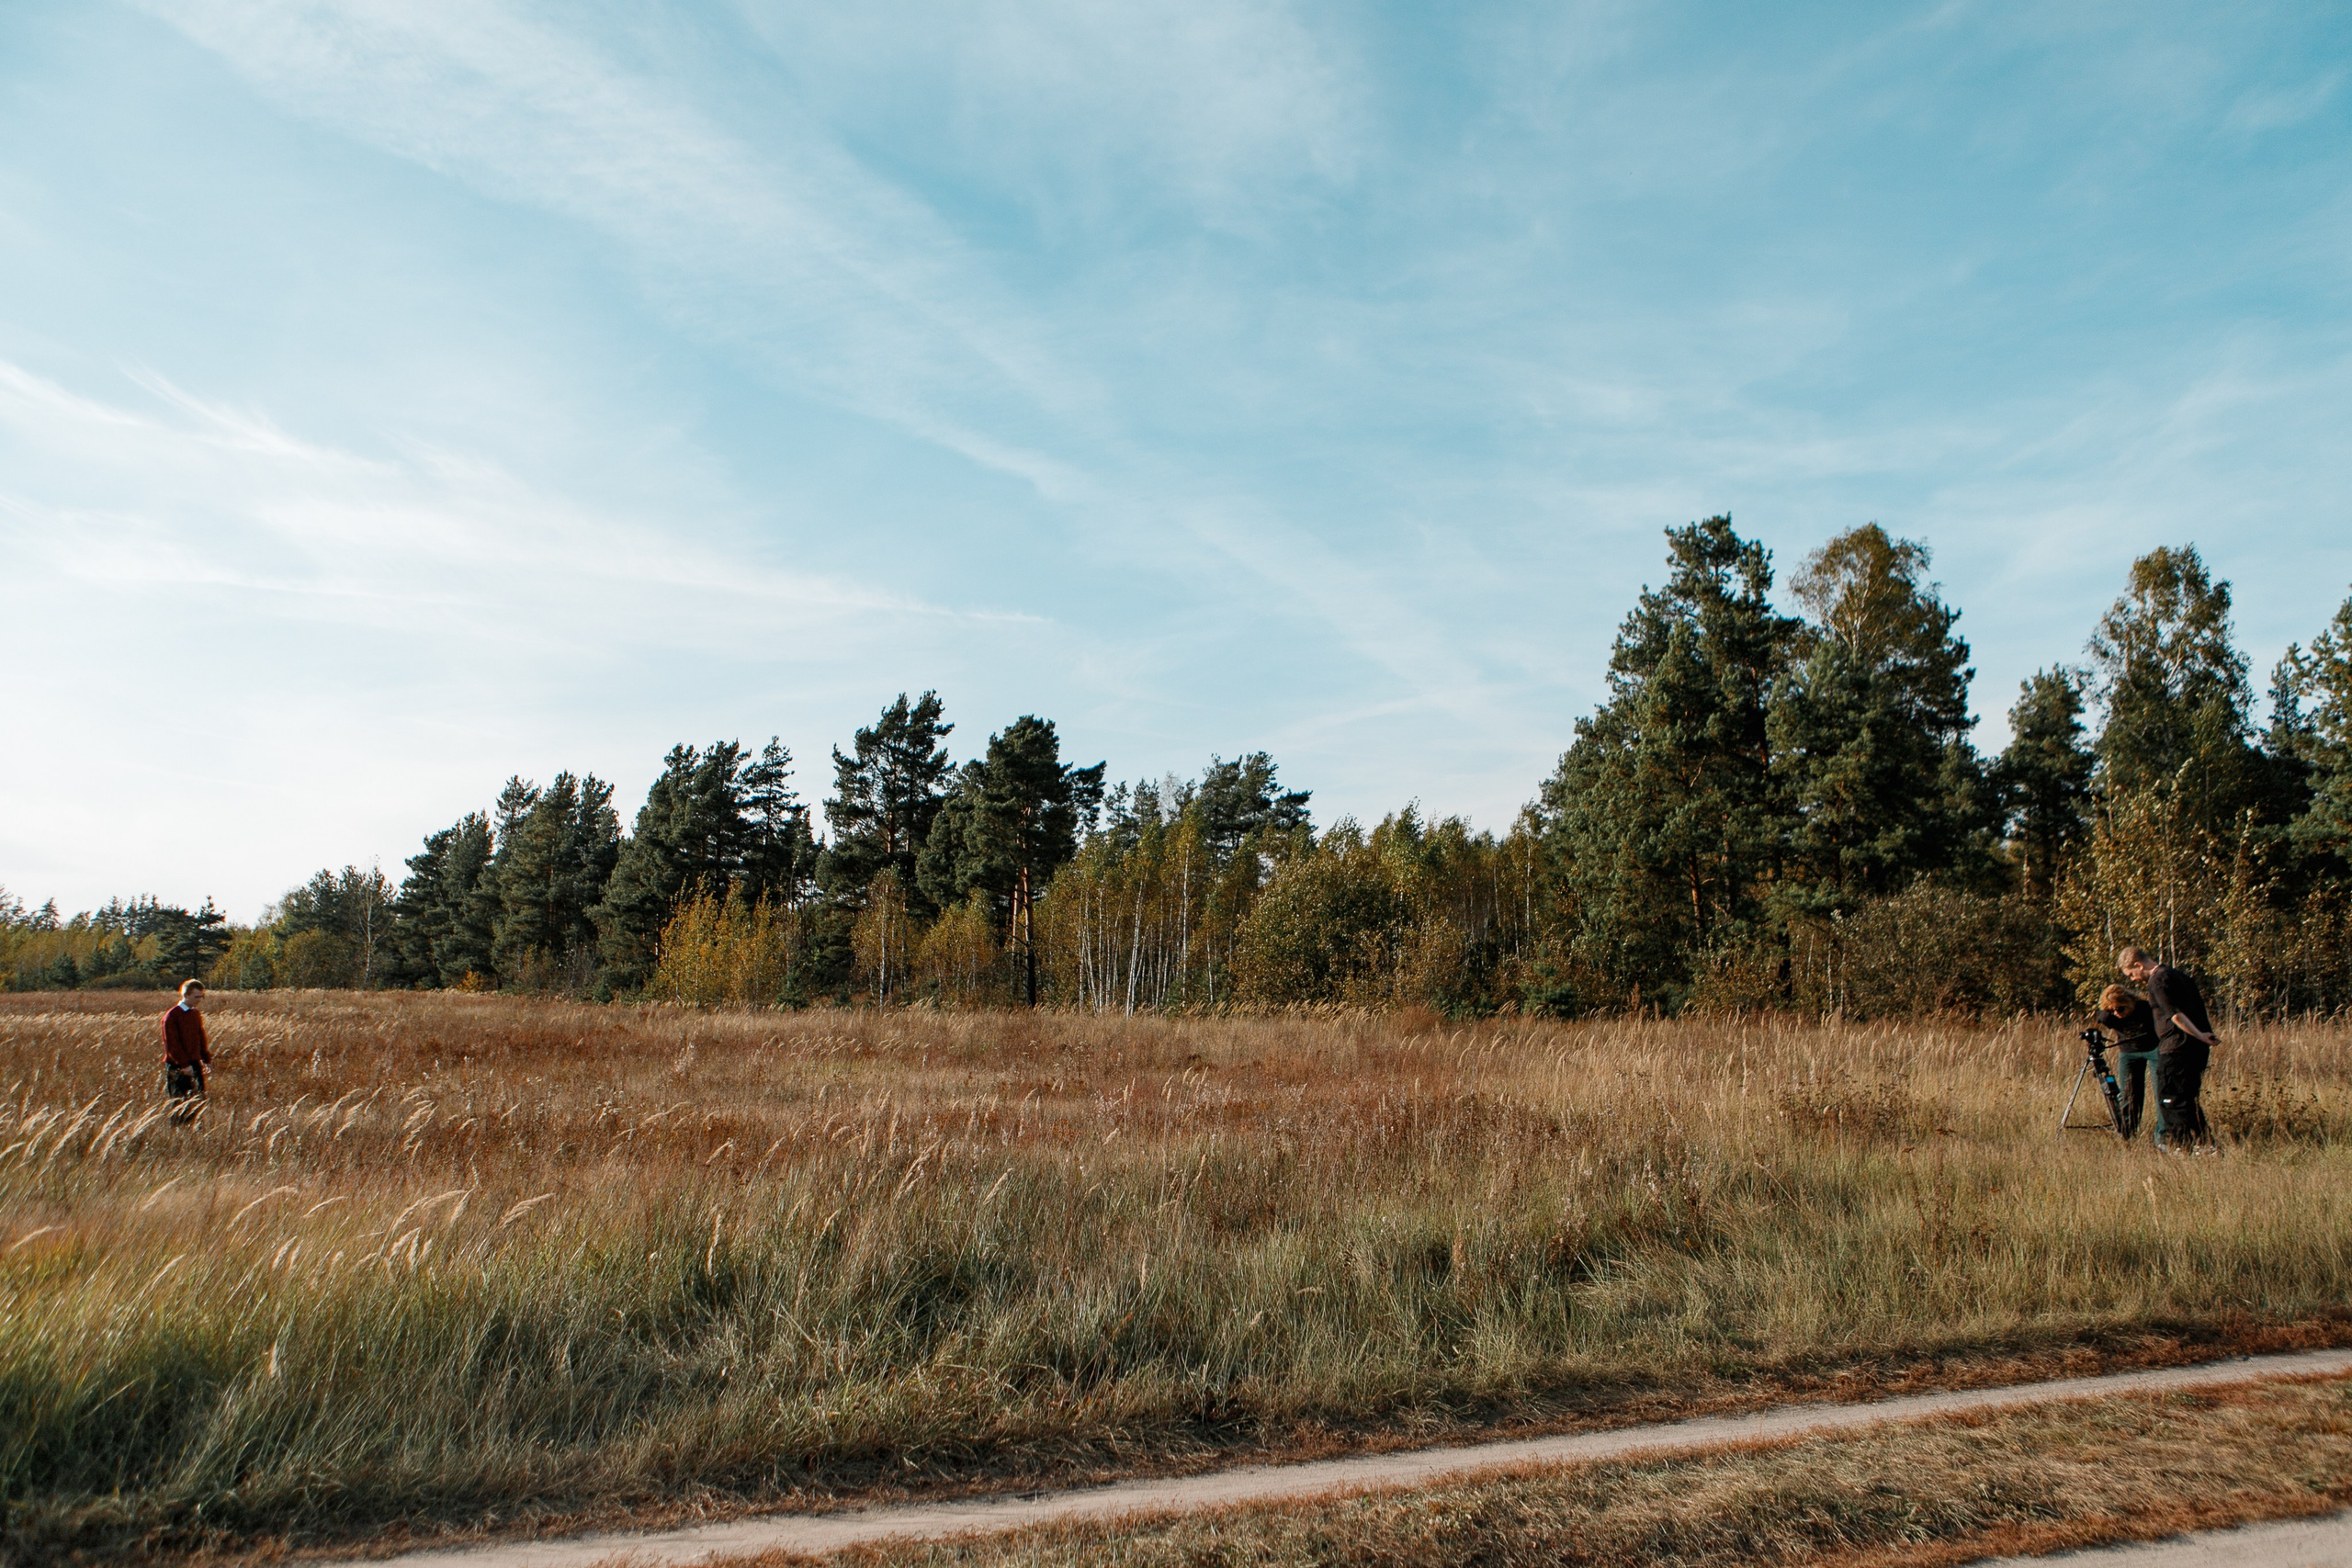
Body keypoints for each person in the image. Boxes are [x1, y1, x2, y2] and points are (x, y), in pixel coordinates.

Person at [2117, 947, 2216, 1152]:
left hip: (2177, 1049)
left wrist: (2200, 1035)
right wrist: (2203, 1036)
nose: (2133, 980)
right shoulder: (2179, 976)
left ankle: (2181, 1147)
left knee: (2171, 1101)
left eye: (2131, 974)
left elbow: (2175, 1015)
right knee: (2188, 1100)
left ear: (2138, 965)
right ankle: (2205, 1146)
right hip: (2196, 1050)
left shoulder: (2158, 980)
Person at [2095, 983, 2159, 1139]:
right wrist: (2107, 1009)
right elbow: (2101, 1017)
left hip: (2153, 1050)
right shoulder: (2109, 1015)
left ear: (2129, 1002)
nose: (2116, 1013)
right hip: (2128, 1053)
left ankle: (2162, 1134)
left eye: (2120, 1009)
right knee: (2129, 1094)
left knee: (2160, 1091)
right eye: (2112, 1010)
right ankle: (2128, 1134)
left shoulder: (2144, 1008)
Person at [161, 978, 211, 1113]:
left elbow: (200, 1037)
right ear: (186, 995)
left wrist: (206, 1059)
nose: (199, 1000)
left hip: (194, 1064)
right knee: (179, 1105)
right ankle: (178, 1132)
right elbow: (172, 1045)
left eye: (202, 996)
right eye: (196, 997)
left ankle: (193, 1132)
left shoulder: (195, 1014)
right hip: (177, 1066)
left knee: (197, 1103)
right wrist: (184, 1065)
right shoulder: (172, 1016)